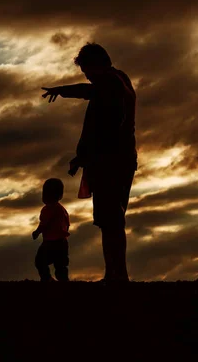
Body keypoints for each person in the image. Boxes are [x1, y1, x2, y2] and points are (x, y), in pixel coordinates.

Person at [41, 43, 137, 283]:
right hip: (115, 159)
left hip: (110, 161)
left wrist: (62, 89)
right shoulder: (117, 81)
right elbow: (90, 93)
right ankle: (115, 273)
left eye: (86, 68)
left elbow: (102, 121)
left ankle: (118, 275)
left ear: (98, 64)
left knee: (111, 219)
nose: (85, 74)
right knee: (111, 220)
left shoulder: (112, 83)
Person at [32, 178, 70, 282]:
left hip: (50, 243)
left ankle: (47, 279)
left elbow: (44, 223)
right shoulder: (62, 210)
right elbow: (67, 224)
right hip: (62, 242)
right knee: (61, 266)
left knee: (40, 261)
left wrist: (37, 232)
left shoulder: (48, 209)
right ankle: (64, 282)